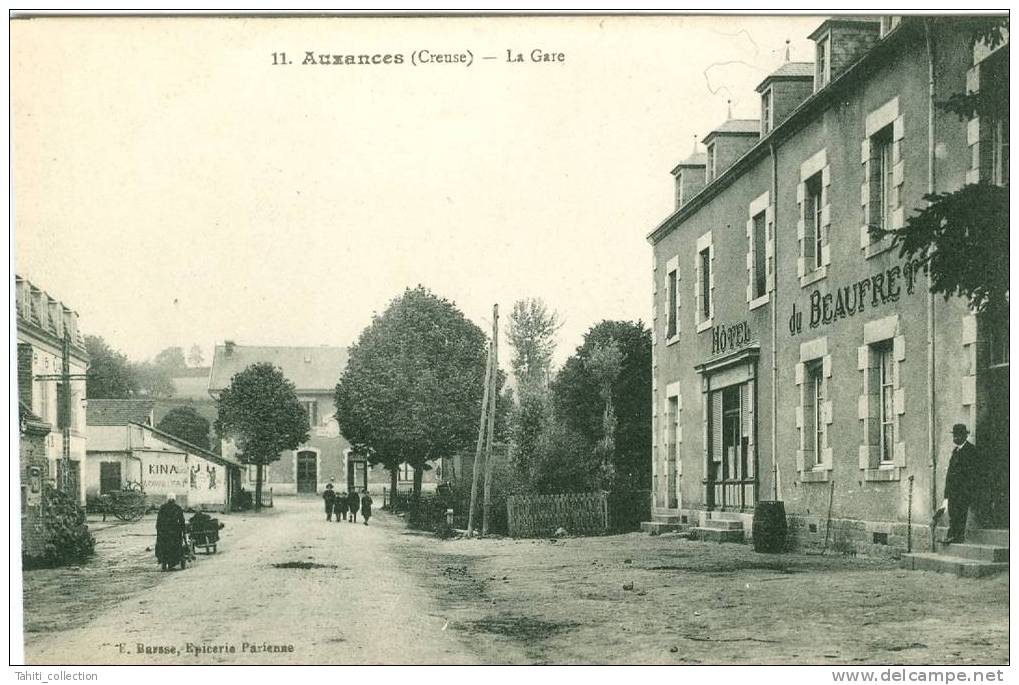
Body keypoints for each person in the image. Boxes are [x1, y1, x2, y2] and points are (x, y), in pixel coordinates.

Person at [944, 423, 979, 544]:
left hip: (963, 491)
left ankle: (958, 537)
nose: (955, 438)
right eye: (954, 435)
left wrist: (968, 490)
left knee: (960, 513)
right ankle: (952, 535)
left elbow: (973, 473)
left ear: (964, 436)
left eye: (958, 436)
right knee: (952, 512)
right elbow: (950, 472)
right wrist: (946, 493)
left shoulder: (971, 450)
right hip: (953, 490)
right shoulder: (955, 451)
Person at [155, 493, 188, 571]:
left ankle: (164, 561)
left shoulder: (162, 508)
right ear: (174, 499)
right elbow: (182, 522)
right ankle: (172, 562)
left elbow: (158, 521)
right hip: (175, 532)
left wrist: (159, 531)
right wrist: (183, 531)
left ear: (167, 499)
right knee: (176, 546)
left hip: (164, 532)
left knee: (163, 546)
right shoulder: (178, 508)